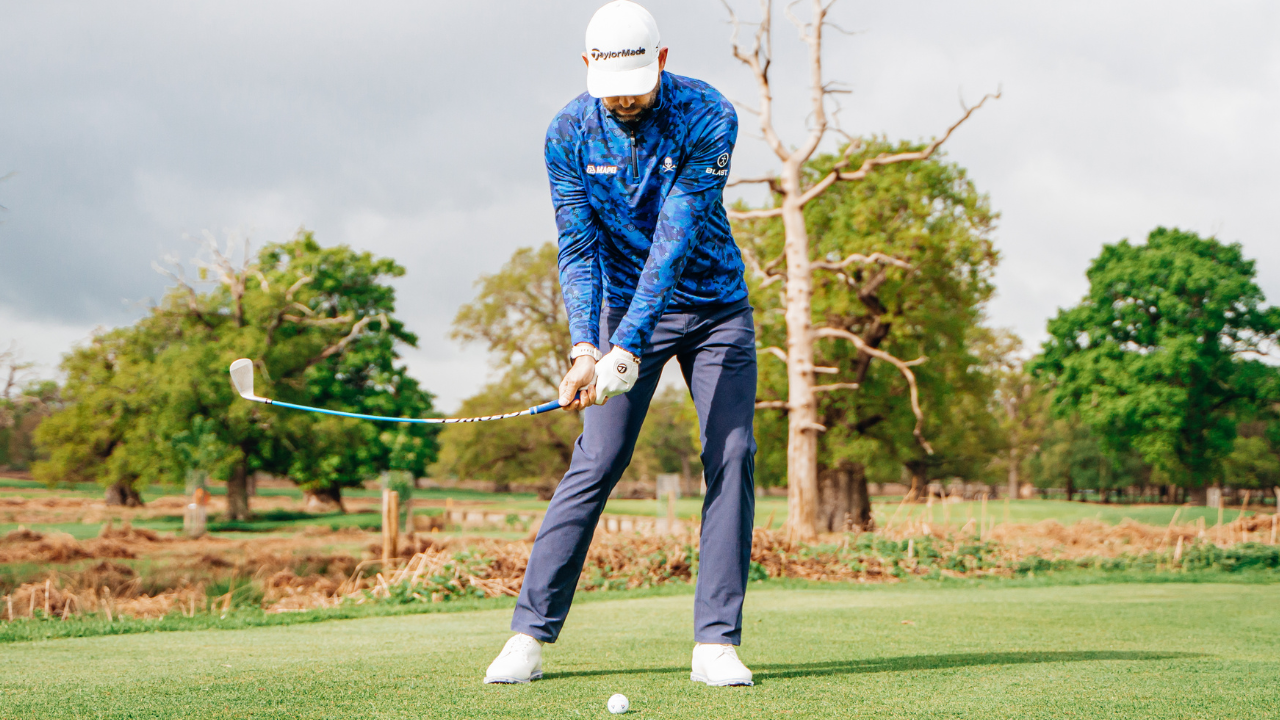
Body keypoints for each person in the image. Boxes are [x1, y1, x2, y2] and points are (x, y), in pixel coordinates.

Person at [484, 0, 757, 687]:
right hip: (615, 318)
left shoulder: (708, 114)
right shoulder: (567, 132)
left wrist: (626, 347)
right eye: (612, 87)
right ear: (587, 69)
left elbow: (675, 241)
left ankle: (715, 643)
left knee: (731, 454)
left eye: (638, 82)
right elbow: (578, 247)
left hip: (714, 308)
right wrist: (584, 349)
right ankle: (527, 637)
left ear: (661, 61)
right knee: (596, 460)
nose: (626, 100)